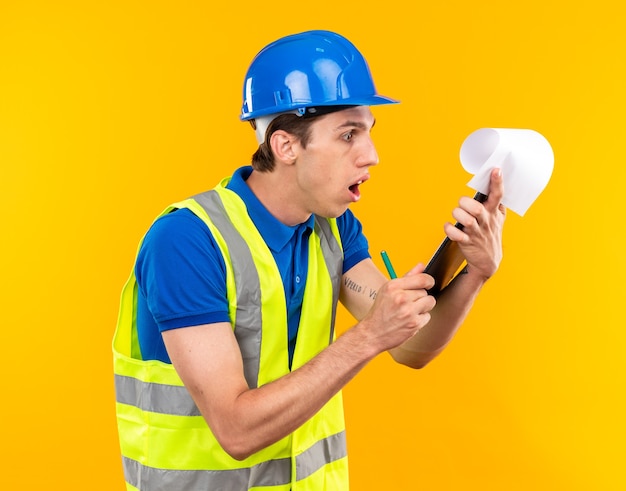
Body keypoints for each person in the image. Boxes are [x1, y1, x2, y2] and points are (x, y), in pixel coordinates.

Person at [113, 29, 506, 490]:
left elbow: (410, 347)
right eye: (348, 135)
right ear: (285, 146)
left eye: (369, 133)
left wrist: (476, 271)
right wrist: (368, 336)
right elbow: (236, 431)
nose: (372, 156)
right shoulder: (187, 241)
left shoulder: (332, 228)